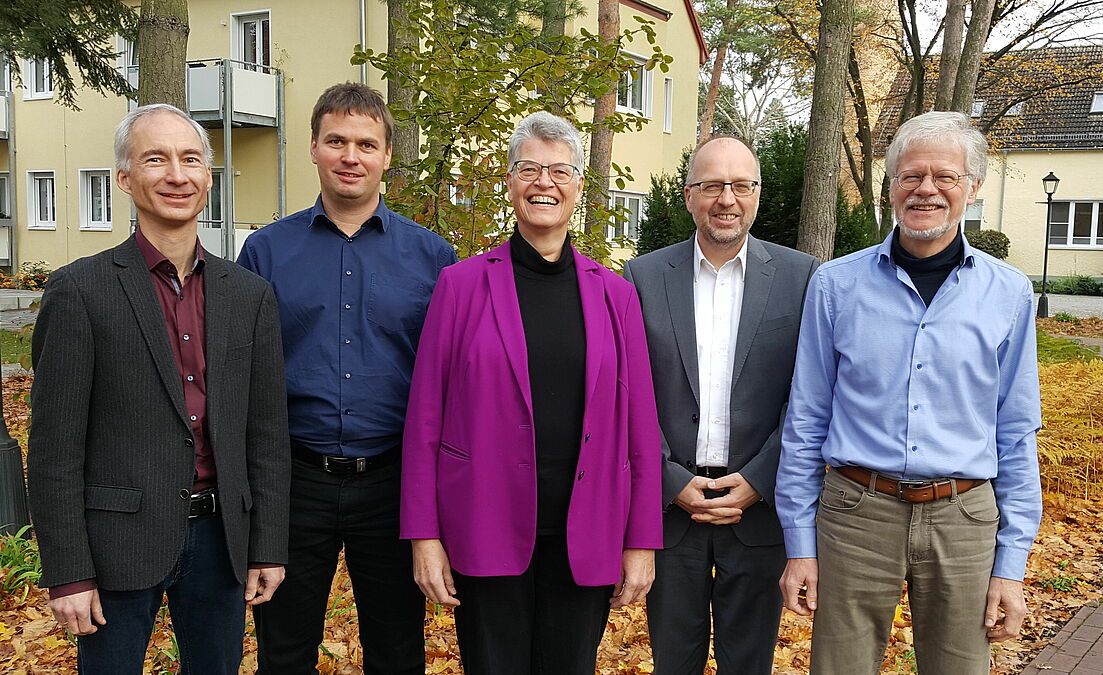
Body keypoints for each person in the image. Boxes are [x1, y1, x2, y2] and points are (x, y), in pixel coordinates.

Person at [776, 110, 1043, 674]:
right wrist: (800, 545)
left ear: (972, 187)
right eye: (910, 175)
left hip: (965, 517)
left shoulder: (1009, 293)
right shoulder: (835, 286)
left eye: (945, 176)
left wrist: (1011, 564)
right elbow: (806, 420)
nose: (926, 189)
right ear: (891, 185)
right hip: (855, 513)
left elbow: (1016, 430)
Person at [27, 103, 290, 674]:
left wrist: (267, 544)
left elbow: (266, 435)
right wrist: (68, 570)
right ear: (125, 178)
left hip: (222, 545)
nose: (177, 174)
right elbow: (53, 450)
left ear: (208, 176)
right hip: (115, 544)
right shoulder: (79, 291)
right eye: (156, 159)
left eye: (191, 159)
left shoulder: (250, 296)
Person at [400, 111, 662, 674]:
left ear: (579, 187)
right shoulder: (462, 285)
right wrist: (424, 536)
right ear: (510, 182)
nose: (545, 182)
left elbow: (641, 427)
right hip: (484, 525)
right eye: (530, 169)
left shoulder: (615, 295)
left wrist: (641, 542)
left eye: (560, 171)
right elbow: (425, 420)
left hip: (585, 533)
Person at [237, 83, 456, 674]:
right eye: (336, 141)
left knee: (397, 651)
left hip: (393, 483)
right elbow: (242, 375)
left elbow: (451, 383)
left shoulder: (434, 260)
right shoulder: (265, 252)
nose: (350, 156)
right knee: (283, 651)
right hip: (293, 481)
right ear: (313, 147)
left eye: (365, 143)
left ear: (388, 155)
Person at [624, 136, 819, 674]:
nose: (726, 199)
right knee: (673, 662)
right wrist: (668, 479)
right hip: (671, 514)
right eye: (712, 185)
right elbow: (626, 391)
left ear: (757, 195)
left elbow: (811, 397)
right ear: (689, 196)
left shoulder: (802, 279)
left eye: (741, 185)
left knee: (748, 663)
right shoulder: (641, 279)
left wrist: (760, 478)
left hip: (758, 511)